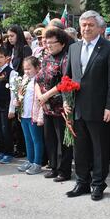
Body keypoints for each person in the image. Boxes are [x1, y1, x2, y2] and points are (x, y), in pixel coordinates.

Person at [64, 10, 110, 201]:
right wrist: (66, 101)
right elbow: (67, 78)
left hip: (100, 108)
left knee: (100, 149)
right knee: (80, 149)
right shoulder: (74, 48)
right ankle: (82, 182)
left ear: (100, 28)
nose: (86, 28)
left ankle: (98, 184)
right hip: (77, 108)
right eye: (84, 25)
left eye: (90, 25)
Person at [36, 28, 74, 182]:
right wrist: (40, 96)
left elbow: (63, 82)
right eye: (47, 42)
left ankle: (64, 171)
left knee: (63, 141)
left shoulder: (65, 59)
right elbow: (38, 78)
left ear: (62, 43)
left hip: (60, 107)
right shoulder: (46, 58)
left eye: (52, 42)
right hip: (46, 107)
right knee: (50, 139)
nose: (49, 45)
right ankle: (53, 167)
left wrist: (46, 95)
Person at [11, 56, 44, 175]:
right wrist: (18, 101)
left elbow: (41, 101)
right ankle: (30, 160)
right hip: (24, 114)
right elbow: (20, 93)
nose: (26, 71)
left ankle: (37, 163)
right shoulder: (25, 79)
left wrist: (40, 117)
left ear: (37, 68)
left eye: (29, 68)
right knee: (27, 139)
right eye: (25, 69)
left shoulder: (39, 80)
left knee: (36, 140)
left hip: (33, 115)